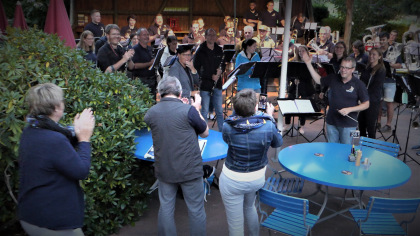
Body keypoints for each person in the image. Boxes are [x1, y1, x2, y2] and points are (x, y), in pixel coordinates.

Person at [18, 83, 95, 235]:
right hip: (50, 220)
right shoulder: (53, 139)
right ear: (56, 108)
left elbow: (58, 149)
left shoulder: (31, 130)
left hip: (33, 213)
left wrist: (77, 132)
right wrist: (85, 139)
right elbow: (81, 171)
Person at [144, 76, 208, 236]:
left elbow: (165, 119)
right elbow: (205, 132)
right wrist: (196, 108)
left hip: (164, 168)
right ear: (180, 93)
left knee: (165, 208)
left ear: (159, 94)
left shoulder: (151, 112)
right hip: (190, 170)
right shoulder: (189, 111)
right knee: (196, 210)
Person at [220, 89, 282, 236]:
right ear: (255, 107)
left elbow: (226, 139)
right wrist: (270, 116)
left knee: (235, 223)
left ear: (236, 108)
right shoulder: (267, 124)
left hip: (232, 180)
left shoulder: (227, 126)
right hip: (256, 178)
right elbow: (278, 142)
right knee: (250, 207)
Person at [301, 51, 370, 144]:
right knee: (332, 150)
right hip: (331, 122)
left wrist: (350, 109)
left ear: (353, 69)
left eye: (347, 68)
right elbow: (318, 80)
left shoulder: (359, 84)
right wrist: (308, 63)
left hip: (348, 124)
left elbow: (366, 104)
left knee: (346, 151)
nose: (343, 70)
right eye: (342, 67)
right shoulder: (334, 78)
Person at [194, 28, 224, 131]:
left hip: (217, 84)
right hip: (205, 84)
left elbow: (222, 65)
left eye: (214, 35)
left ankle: (222, 132)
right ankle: (204, 132)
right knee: (205, 110)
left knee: (219, 110)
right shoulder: (200, 51)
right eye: (210, 35)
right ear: (206, 37)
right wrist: (210, 76)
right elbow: (197, 68)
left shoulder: (219, 50)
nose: (212, 37)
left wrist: (220, 71)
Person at [284, 46, 315, 134]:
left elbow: (311, 76)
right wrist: (294, 79)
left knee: (303, 105)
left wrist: (300, 79)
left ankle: (301, 125)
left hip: (305, 86)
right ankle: (287, 123)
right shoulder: (294, 61)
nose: (301, 53)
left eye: (303, 51)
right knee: (289, 101)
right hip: (295, 86)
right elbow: (289, 75)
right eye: (299, 51)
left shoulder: (309, 62)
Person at [377, 32, 403, 132]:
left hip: (390, 79)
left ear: (388, 39)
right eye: (381, 39)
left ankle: (388, 124)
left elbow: (399, 65)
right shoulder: (378, 50)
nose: (382, 42)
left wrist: (391, 65)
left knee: (389, 102)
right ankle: (378, 122)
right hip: (379, 79)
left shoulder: (394, 50)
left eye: (383, 39)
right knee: (378, 101)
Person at [358, 48, 386, 138]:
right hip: (364, 99)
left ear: (379, 56)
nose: (371, 56)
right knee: (361, 124)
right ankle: (362, 147)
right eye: (370, 54)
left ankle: (371, 148)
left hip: (372, 100)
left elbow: (375, 87)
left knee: (370, 126)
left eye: (374, 54)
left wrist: (363, 97)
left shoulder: (381, 70)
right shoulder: (367, 67)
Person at [131, 28, 157, 98]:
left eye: (148, 35)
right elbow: (134, 65)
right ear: (138, 37)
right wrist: (149, 63)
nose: (147, 37)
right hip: (141, 81)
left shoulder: (150, 48)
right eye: (144, 35)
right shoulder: (135, 49)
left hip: (152, 80)